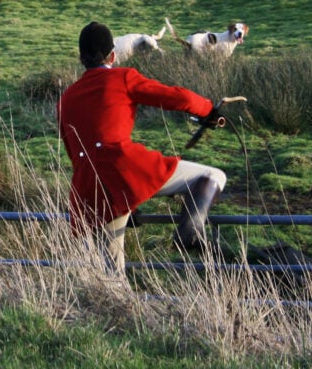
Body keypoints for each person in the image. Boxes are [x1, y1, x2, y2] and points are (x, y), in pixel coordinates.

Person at [57, 21, 227, 273]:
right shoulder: (123, 77)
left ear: (81, 59)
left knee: (111, 277)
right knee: (213, 176)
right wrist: (208, 110)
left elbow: (73, 152)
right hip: (126, 171)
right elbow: (175, 97)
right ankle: (190, 232)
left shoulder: (66, 97)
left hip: (87, 188)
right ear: (113, 55)